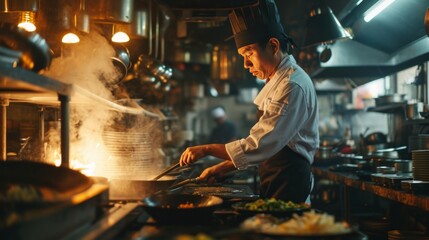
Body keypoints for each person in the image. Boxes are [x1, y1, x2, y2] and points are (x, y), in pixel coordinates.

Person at [179, 0, 319, 204]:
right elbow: (267, 147)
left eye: (249, 54)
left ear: (273, 45)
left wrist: (207, 149)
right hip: (277, 179)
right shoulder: (278, 81)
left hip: (290, 184)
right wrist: (224, 167)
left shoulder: (291, 85)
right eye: (242, 56)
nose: (245, 64)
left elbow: (260, 144)